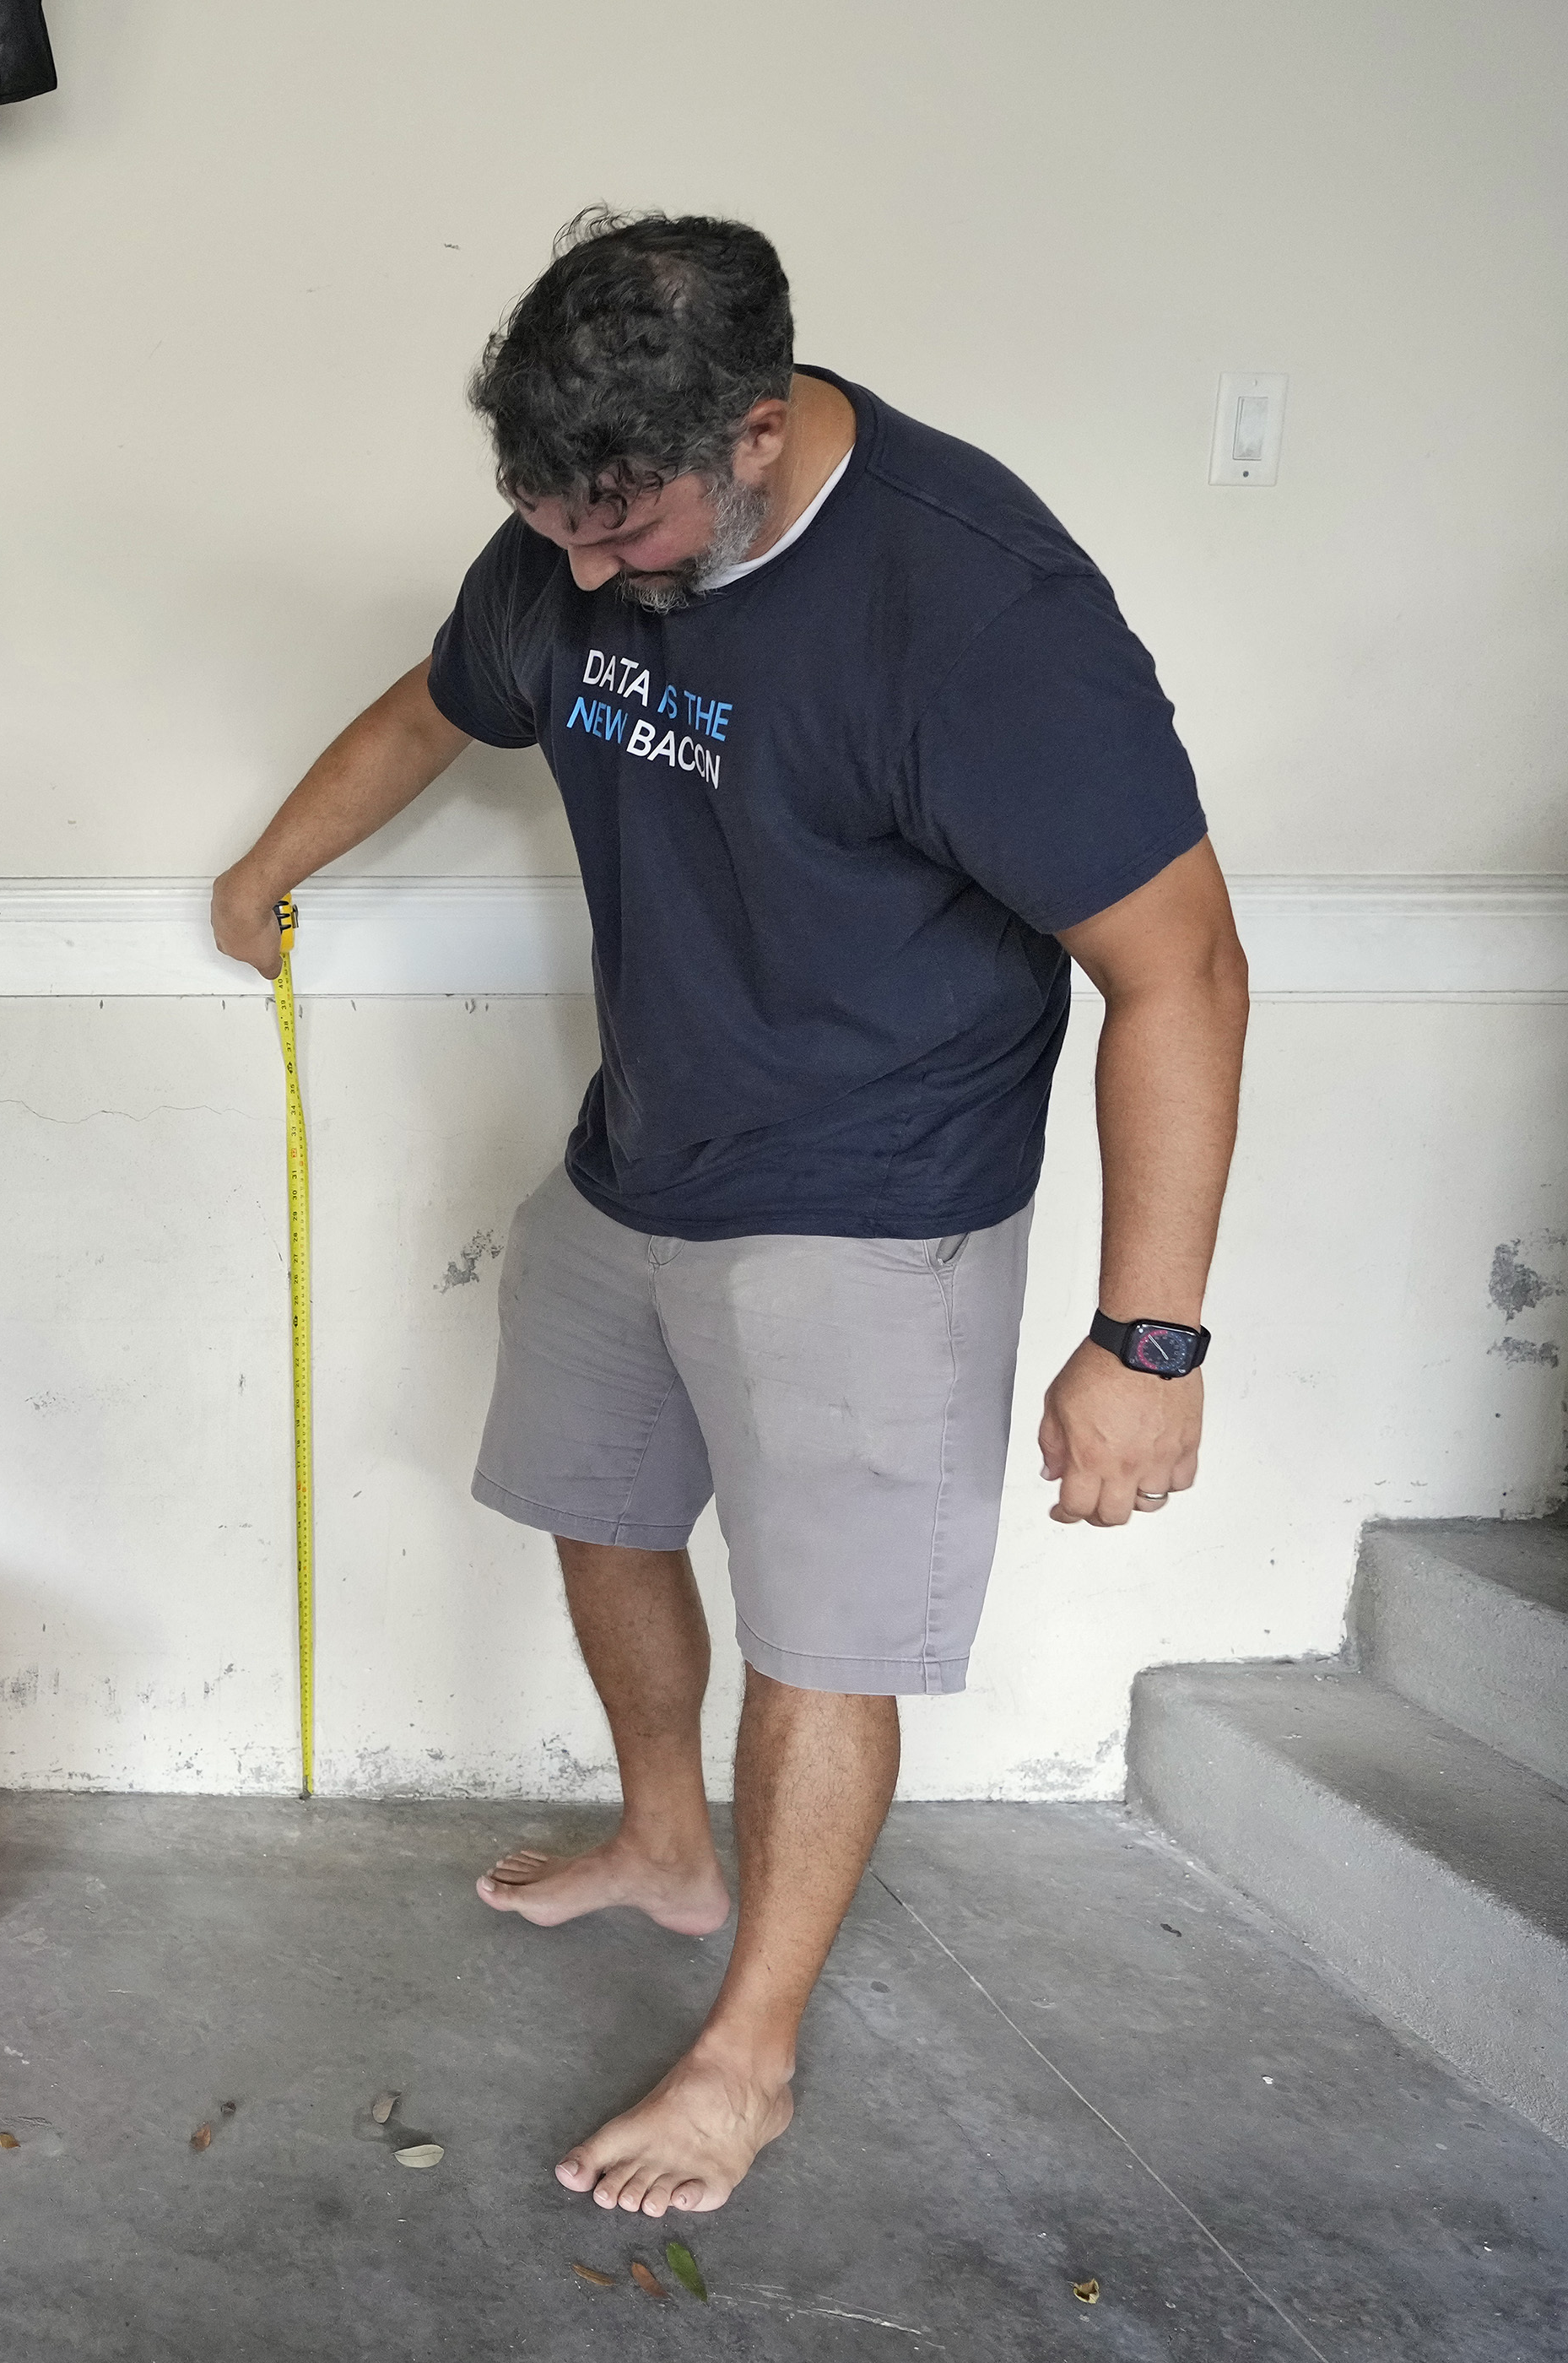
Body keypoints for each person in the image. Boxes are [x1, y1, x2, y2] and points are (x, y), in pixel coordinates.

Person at [209, 210, 1248, 2216]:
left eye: (624, 531)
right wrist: (268, 862)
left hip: (876, 1196)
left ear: (758, 430)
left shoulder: (976, 611)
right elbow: (442, 701)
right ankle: (666, 1847)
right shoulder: (578, 529)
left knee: (823, 1637)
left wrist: (1151, 1339)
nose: (585, 578)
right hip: (650, 1145)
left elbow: (1181, 970)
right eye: (554, 527)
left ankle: (746, 2060)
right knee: (594, 1505)